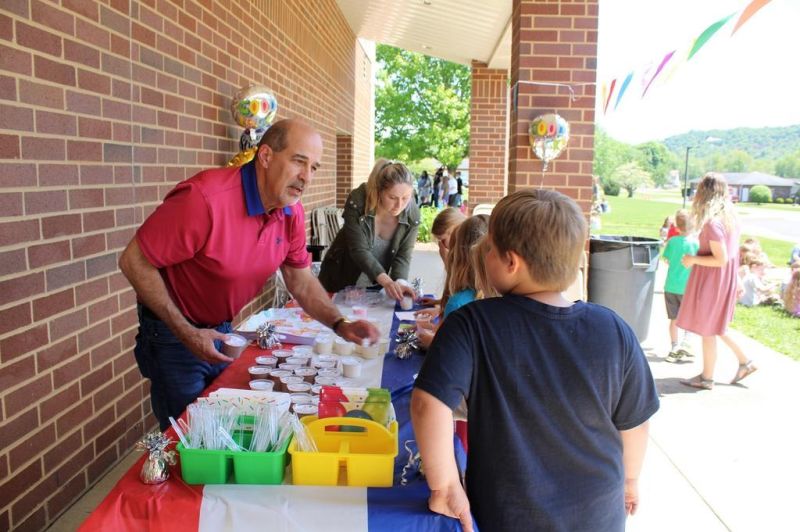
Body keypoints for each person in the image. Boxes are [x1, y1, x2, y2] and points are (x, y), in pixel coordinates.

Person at [411, 189, 659, 532]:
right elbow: (634, 421)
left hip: (507, 515)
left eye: (490, 248)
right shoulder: (614, 329)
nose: (484, 254)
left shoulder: (471, 323)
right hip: (597, 514)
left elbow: (427, 404)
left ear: (511, 262)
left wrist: (446, 485)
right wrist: (630, 479)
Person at [119, 119, 379, 430]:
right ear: (266, 156)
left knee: (226, 428)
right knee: (191, 437)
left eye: (314, 168)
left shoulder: (290, 209)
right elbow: (133, 260)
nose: (306, 177)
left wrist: (340, 323)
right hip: (172, 333)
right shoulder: (204, 199)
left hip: (223, 329)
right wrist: (186, 332)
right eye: (299, 162)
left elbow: (300, 279)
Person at [676, 173, 757, 390]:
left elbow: (719, 258)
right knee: (714, 326)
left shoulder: (713, 223)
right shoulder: (730, 218)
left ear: (705, 192)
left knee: (709, 328)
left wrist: (692, 259)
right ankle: (744, 362)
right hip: (723, 279)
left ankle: (708, 378)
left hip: (713, 280)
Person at [317, 158, 420, 301]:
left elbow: (403, 255)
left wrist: (399, 283)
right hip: (340, 280)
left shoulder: (412, 214)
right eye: (392, 197)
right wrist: (387, 282)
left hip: (375, 286)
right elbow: (359, 249)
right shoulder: (358, 201)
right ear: (379, 191)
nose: (399, 204)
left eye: (406, 197)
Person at [662, 210, 699, 363]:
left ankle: (674, 346)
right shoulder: (696, 243)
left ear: (676, 226)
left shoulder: (672, 241)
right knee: (689, 317)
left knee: (674, 318)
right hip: (688, 288)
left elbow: (667, 260)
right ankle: (687, 342)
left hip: (670, 286)